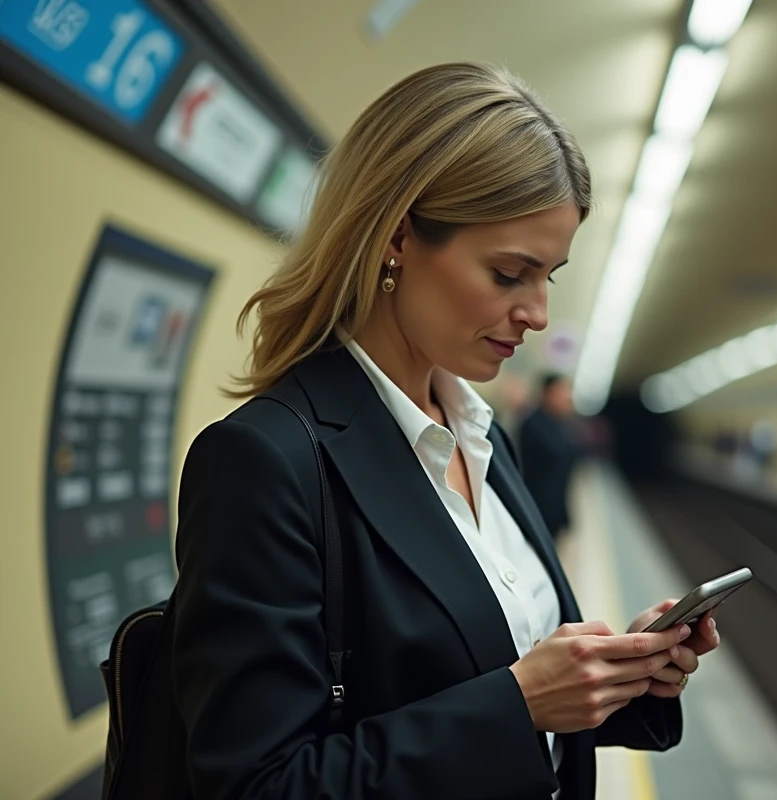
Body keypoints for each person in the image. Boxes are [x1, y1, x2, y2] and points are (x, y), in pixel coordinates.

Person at [170, 63, 720, 800]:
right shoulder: (264, 462)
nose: (538, 315)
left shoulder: (484, 436)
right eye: (508, 274)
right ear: (398, 237)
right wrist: (520, 702)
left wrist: (620, 676)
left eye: (548, 277)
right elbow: (258, 785)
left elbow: (497, 677)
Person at [519, 374, 581, 541]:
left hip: (555, 504)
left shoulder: (560, 425)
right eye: (562, 391)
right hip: (538, 507)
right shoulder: (533, 423)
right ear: (547, 393)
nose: (568, 397)